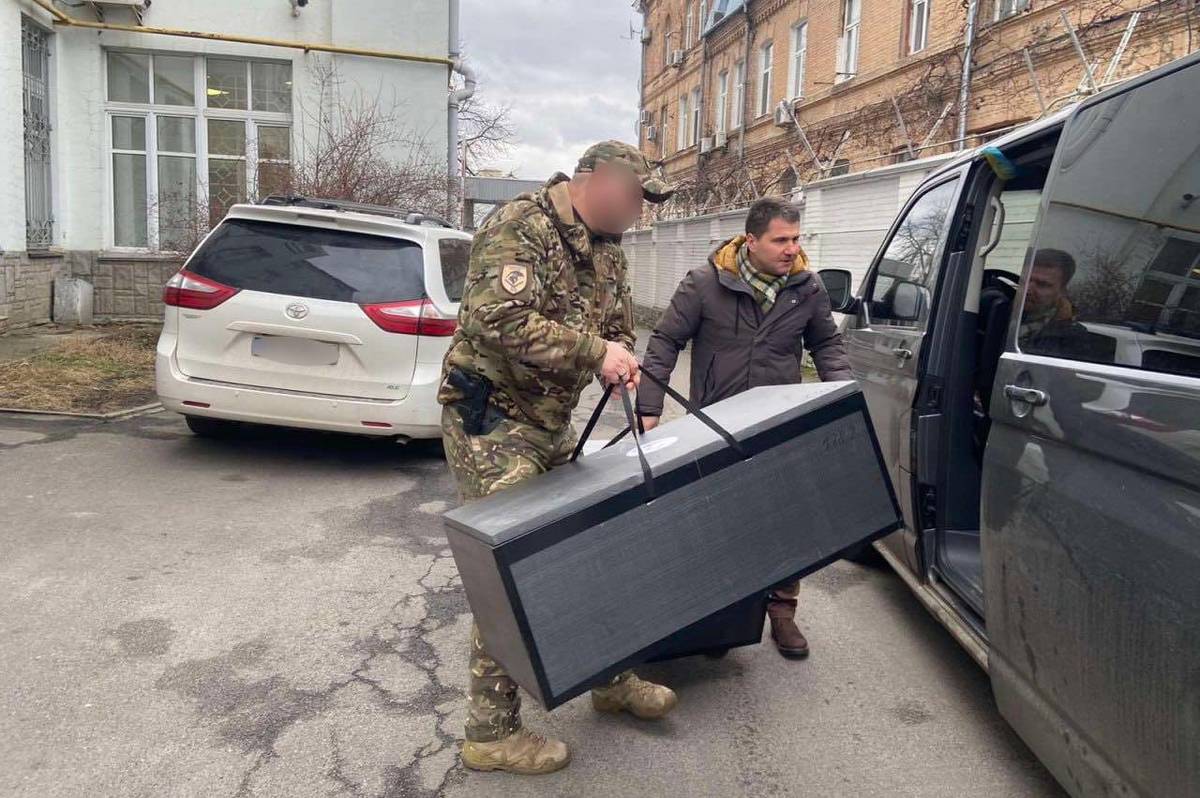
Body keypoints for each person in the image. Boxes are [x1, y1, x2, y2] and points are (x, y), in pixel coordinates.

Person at [439, 141, 678, 775]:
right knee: (514, 563)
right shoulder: (521, 225)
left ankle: (610, 677)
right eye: (634, 196)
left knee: (595, 541)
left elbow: (619, 328)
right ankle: (490, 734)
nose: (637, 212)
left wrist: (618, 359)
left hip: (548, 422)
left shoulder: (606, 251)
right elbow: (494, 317)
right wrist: (592, 353)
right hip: (491, 419)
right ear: (594, 180)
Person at [636, 197, 853, 660]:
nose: (792, 248)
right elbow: (665, 341)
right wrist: (648, 406)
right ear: (751, 241)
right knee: (716, 520)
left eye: (796, 238)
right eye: (781, 239)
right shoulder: (704, 283)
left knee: (783, 520)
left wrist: (845, 402)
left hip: (778, 424)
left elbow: (827, 346)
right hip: (714, 422)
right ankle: (723, 614)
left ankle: (782, 610)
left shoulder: (807, 288)